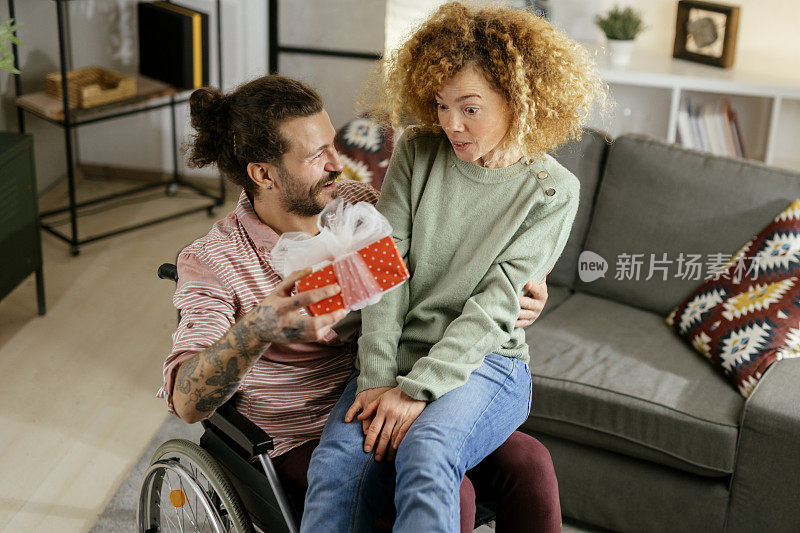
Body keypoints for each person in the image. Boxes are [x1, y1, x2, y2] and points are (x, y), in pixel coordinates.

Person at [158, 74, 561, 530]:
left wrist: (521, 291)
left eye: (334, 144)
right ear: (263, 173)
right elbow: (187, 403)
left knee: (530, 464)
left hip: (393, 378)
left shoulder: (355, 204)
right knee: (456, 495)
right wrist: (260, 327)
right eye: (317, 155)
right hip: (303, 431)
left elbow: (422, 282)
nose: (338, 163)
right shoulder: (214, 261)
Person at [301, 2, 606, 532]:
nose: (450, 124)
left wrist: (415, 391)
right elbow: (380, 268)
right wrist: (376, 379)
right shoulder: (417, 152)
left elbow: (495, 306)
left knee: (427, 452)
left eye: (469, 108)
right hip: (393, 357)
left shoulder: (553, 191)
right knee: (336, 463)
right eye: (441, 105)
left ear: (519, 101)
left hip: (487, 364)